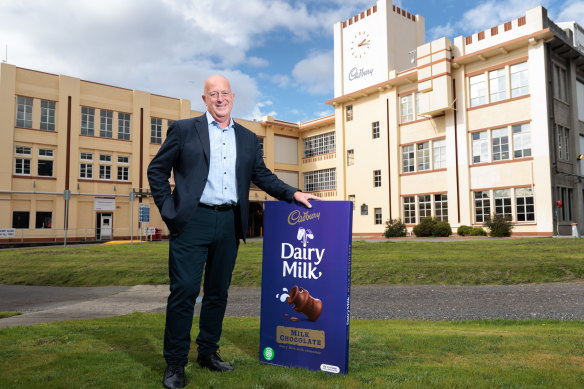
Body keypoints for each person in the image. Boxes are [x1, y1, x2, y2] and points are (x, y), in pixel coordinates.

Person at [147, 75, 320, 389]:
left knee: (217, 293)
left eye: (224, 92)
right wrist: (169, 211)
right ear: (204, 99)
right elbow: (157, 170)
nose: (219, 98)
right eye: (213, 93)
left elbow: (262, 176)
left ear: (233, 97)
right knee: (184, 291)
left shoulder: (248, 138)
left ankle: (208, 352)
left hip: (229, 223)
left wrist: (293, 193)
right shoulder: (184, 130)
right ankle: (175, 363)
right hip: (191, 220)